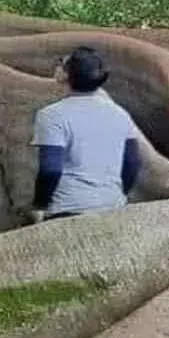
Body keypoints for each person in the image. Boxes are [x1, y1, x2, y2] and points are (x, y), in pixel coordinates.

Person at [29, 46, 143, 221]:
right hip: (113, 206)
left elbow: (50, 169)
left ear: (66, 74)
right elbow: (133, 161)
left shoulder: (51, 115)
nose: (57, 65)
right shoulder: (120, 113)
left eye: (61, 63)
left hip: (67, 208)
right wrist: (117, 192)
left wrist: (39, 206)